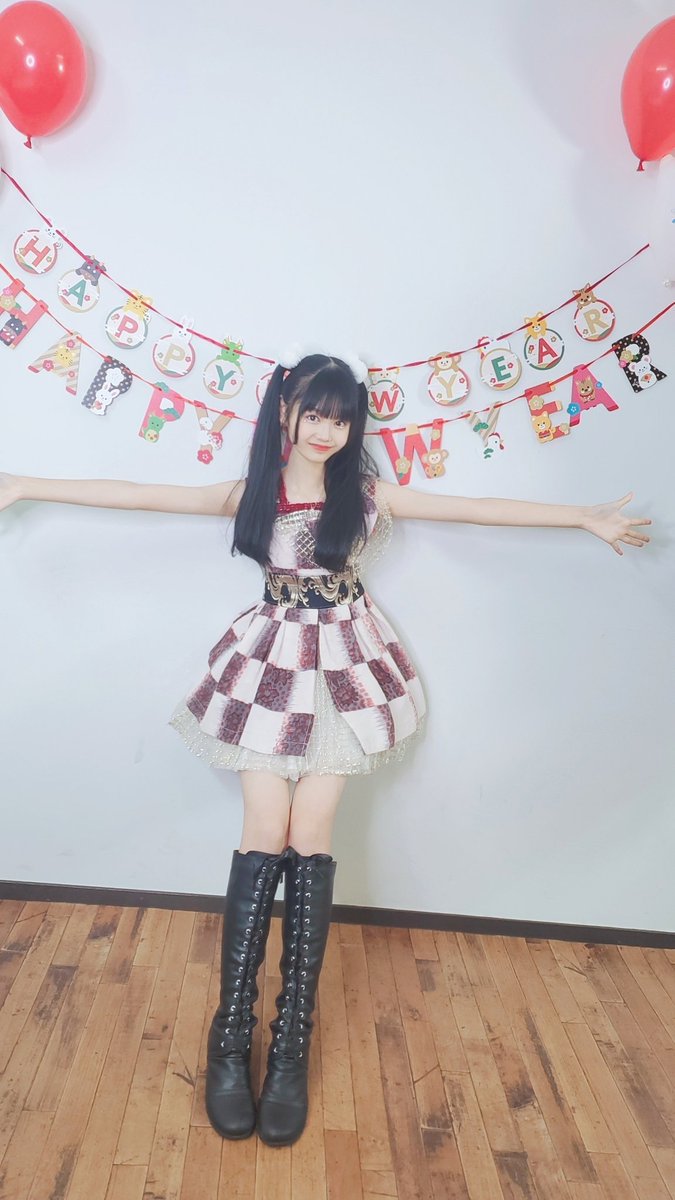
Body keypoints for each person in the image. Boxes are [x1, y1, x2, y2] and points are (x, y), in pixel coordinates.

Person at [0, 350, 652, 1149]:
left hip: (347, 670)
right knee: (262, 828)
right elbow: (139, 494)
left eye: (340, 419)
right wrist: (24, 483)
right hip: (268, 669)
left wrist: (582, 517)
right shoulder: (252, 494)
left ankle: (289, 1046)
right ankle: (230, 1037)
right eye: (313, 413)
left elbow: (478, 508)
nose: (325, 430)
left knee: (310, 835)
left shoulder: (367, 497)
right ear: (284, 412)